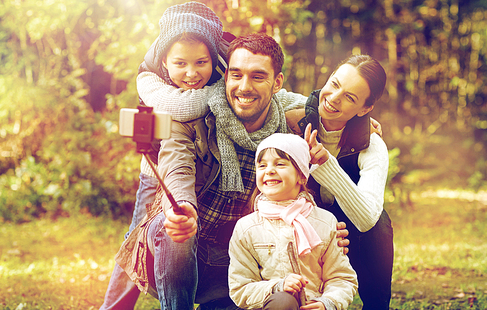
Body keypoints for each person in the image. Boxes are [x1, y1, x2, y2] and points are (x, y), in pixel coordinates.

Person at [114, 33, 349, 310]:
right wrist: (183, 207)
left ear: (277, 83)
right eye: (236, 75)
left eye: (257, 77)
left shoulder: (289, 134)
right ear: (226, 77)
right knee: (176, 225)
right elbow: (176, 166)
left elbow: (306, 183)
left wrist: (325, 229)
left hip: (240, 265)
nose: (243, 87)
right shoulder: (191, 120)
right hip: (180, 253)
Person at [100, 1, 232, 310]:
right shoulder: (148, 80)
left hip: (207, 169)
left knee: (192, 234)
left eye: (201, 62)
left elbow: (269, 92)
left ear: (214, 57)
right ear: (164, 61)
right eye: (180, 64)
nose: (191, 73)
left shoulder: (227, 72)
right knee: (135, 239)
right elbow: (182, 108)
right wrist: (221, 93)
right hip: (157, 171)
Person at [289, 54, 394, 310]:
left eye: (350, 97)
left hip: (352, 229)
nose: (334, 98)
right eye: (335, 84)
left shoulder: (372, 145)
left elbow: (368, 217)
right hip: (301, 218)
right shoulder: (292, 121)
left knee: (380, 224)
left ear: (365, 109)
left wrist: (326, 165)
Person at [228, 133, 358, 310]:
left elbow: (341, 278)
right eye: (262, 165)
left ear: (302, 176)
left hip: (313, 304)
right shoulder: (247, 228)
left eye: (280, 164)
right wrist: (277, 287)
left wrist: (328, 302)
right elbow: (240, 287)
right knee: (284, 301)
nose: (270, 170)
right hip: (273, 305)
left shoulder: (325, 222)